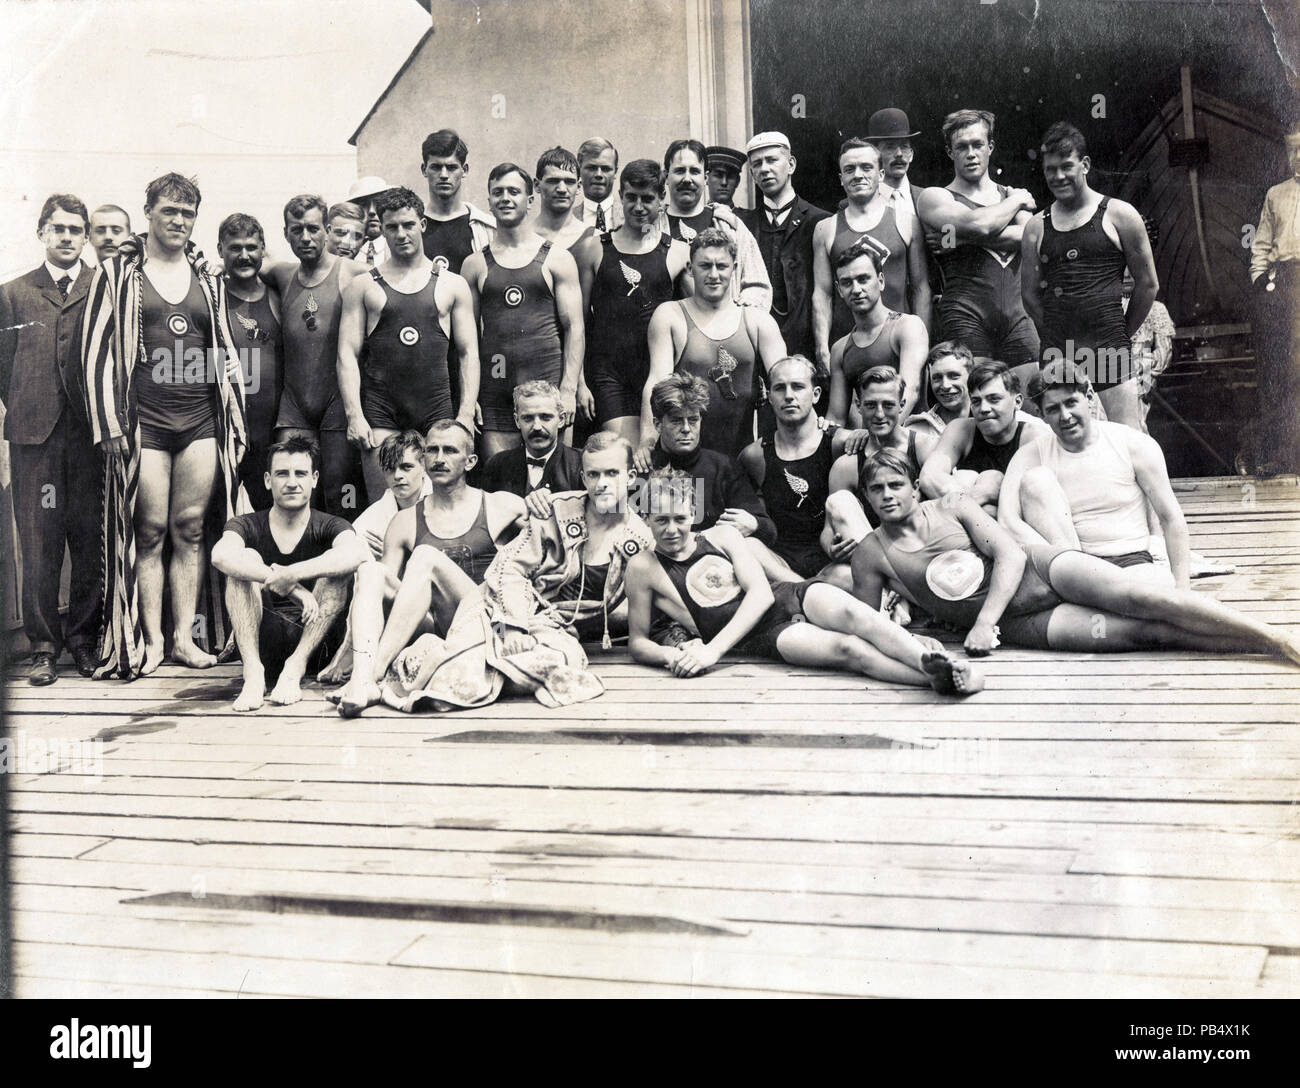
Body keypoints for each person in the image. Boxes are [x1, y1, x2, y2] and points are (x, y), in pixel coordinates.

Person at [851, 447, 1300, 666]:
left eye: (896, 484)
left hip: (1041, 570)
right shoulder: (871, 555)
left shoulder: (952, 505)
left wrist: (983, 622)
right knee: (1146, 634)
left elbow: (1008, 553)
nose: (888, 495)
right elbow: (868, 625)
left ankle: (1275, 637)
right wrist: (915, 642)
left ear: (913, 486)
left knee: (1148, 599)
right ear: (866, 497)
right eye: (876, 488)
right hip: (1020, 624)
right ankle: (1255, 647)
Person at [82, 172, 248, 677]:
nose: (178, 221)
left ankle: (184, 638)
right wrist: (109, 422)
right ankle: (151, 639)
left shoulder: (209, 278)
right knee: (149, 530)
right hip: (145, 422)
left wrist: (233, 396)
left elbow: (222, 350)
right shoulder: (117, 275)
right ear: (149, 213)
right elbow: (95, 355)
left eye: (187, 213)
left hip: (199, 419)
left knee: (191, 528)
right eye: (169, 211)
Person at [626, 467, 982, 694]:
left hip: (790, 596)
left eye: (679, 518)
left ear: (692, 512)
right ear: (646, 518)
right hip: (762, 637)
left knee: (860, 618)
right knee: (849, 650)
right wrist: (672, 655)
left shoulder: (722, 537)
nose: (671, 530)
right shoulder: (643, 566)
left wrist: (712, 650)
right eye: (660, 521)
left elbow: (762, 595)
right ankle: (937, 679)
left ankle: (930, 662)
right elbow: (639, 641)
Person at [381, 432, 656, 713]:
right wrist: (513, 627)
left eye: (612, 473)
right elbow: (510, 570)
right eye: (594, 474)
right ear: (583, 478)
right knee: (485, 646)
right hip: (495, 612)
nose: (602, 484)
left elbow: (653, 597)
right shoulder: (557, 510)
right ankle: (434, 661)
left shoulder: (641, 539)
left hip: (553, 630)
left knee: (563, 660)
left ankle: (477, 664)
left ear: (631, 477)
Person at [330, 420, 526, 716]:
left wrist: (542, 502)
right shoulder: (404, 521)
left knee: (424, 556)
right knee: (370, 571)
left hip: (487, 622)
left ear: (470, 461)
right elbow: (381, 598)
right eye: (432, 451)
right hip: (435, 625)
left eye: (449, 450)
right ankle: (363, 675)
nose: (439, 458)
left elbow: (544, 545)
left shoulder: (502, 506)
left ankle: (371, 676)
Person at [0, 194, 102, 684]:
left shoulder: (102, 289)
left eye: (75, 230)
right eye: (57, 228)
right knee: (38, 543)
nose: (66, 237)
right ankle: (43, 646)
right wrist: (31, 403)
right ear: (41, 232)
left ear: (86, 237)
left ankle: (83, 641)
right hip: (35, 439)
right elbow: (4, 367)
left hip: (89, 438)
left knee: (87, 538)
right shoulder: (13, 294)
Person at [337, 186, 479, 500]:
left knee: (439, 507)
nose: (401, 234)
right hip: (381, 413)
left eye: (408, 225)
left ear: (422, 224)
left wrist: (466, 413)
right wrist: (355, 416)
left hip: (436, 412)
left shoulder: (451, 284)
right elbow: (347, 354)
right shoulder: (363, 286)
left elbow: (469, 353)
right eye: (392, 227)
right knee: (386, 505)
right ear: (382, 231)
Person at [212, 435, 368, 711]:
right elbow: (220, 555)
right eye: (282, 473)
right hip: (263, 641)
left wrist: (292, 573)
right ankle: (253, 675)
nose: (292, 482)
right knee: (243, 560)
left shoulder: (332, 524)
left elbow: (356, 554)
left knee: (337, 570)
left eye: (301, 473)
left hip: (316, 647)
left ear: (315, 479)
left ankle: (293, 670)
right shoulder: (246, 524)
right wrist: (293, 588)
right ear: (268, 480)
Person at [998, 362, 1188, 587]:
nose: (1065, 416)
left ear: (1088, 396)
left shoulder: (1134, 444)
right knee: (1036, 479)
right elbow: (1007, 521)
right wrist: (1059, 561)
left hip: (1130, 562)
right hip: (1070, 568)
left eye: (1071, 403)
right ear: (1041, 414)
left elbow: (1171, 517)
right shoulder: (1030, 455)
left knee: (1157, 595)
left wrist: (1183, 587)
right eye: (1053, 409)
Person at [1021, 121, 1159, 429]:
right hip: (1059, 349)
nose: (1058, 176)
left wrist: (1120, 330)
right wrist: (1058, 328)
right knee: (1065, 436)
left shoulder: (1120, 214)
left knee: (1126, 437)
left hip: (1108, 343)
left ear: (1085, 164)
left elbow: (1148, 284)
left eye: (1066, 166)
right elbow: (1029, 295)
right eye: (1050, 169)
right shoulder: (1036, 226)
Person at [462, 162, 586, 458]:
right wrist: (471, 398)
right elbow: (466, 343)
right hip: (496, 390)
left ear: (530, 200)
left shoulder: (557, 258)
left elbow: (575, 328)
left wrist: (568, 390)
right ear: (489, 201)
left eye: (514, 192)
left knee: (557, 480)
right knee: (500, 480)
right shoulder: (475, 264)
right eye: (498, 192)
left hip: (548, 385)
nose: (505, 198)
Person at [917, 109, 1040, 389]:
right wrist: (1016, 200)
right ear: (950, 152)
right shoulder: (935, 196)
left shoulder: (1008, 194)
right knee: (978, 405)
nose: (971, 153)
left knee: (1034, 404)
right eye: (962, 146)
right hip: (966, 314)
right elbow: (978, 224)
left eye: (978, 144)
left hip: (1018, 316)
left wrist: (964, 239)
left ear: (990, 147)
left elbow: (1032, 238)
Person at [263, 194, 367, 517]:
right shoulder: (282, 273)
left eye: (312, 229)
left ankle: (344, 562)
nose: (305, 237)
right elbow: (241, 264)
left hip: (337, 401)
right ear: (286, 234)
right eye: (296, 230)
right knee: (292, 490)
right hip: (294, 405)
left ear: (327, 230)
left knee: (340, 491)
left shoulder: (354, 272)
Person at [573, 158, 691, 442]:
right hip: (608, 372)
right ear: (620, 197)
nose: (638, 207)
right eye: (631, 198)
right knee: (623, 448)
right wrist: (579, 383)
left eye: (648, 199)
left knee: (654, 453)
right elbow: (578, 322)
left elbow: (696, 316)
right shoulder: (595, 248)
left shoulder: (677, 251)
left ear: (662, 198)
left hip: (658, 369)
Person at [642, 227, 787, 458]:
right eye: (705, 266)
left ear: (735, 269)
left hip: (740, 458)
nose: (713, 274)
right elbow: (656, 383)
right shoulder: (670, 315)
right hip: (685, 458)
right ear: (690, 269)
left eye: (721, 266)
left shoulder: (757, 321)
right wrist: (647, 442)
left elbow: (786, 380)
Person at [315, 429, 432, 684]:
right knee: (353, 564)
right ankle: (348, 653)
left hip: (433, 610)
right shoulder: (377, 513)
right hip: (389, 608)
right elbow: (345, 556)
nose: (398, 476)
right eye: (390, 469)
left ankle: (356, 657)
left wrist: (399, 551)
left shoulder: (439, 501)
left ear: (423, 465)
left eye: (406, 467)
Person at [812, 137, 932, 377]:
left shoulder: (906, 221)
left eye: (866, 167)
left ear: (881, 174)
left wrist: (923, 345)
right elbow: (822, 294)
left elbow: (921, 289)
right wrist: (822, 347)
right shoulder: (825, 228)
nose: (858, 175)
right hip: (848, 347)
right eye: (849, 169)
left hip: (898, 345)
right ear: (841, 178)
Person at [740, 356, 855, 578]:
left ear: (816, 395)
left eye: (798, 387)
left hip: (831, 561)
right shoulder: (755, 456)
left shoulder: (841, 443)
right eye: (780, 388)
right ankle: (803, 589)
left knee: (849, 576)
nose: (789, 396)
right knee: (745, 547)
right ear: (770, 397)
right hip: (780, 564)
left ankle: (802, 592)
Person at [640, 373, 777, 547]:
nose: (686, 429)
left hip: (713, 565)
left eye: (693, 420)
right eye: (676, 421)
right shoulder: (643, 467)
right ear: (657, 424)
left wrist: (755, 524)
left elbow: (769, 530)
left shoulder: (723, 467)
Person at [736, 131, 831, 362]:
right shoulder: (742, 225)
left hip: (806, 347)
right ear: (751, 174)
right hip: (755, 344)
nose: (765, 169)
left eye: (772, 160)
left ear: (790, 165)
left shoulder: (820, 221)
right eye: (757, 164)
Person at [659, 138, 772, 310]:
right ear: (666, 176)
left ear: (704, 177)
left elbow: (758, 286)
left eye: (694, 171)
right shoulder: (652, 227)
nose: (687, 179)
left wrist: (735, 321)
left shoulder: (729, 225)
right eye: (680, 171)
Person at [920, 360, 1049, 509]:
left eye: (994, 399)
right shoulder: (962, 429)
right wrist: (983, 496)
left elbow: (1028, 502)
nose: (984, 408)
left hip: (1014, 522)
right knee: (966, 477)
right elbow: (929, 477)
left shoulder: (1033, 436)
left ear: (1018, 402)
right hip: (973, 515)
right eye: (976, 401)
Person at [827, 238, 928, 424]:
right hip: (867, 441)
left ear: (880, 281)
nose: (856, 290)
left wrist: (873, 439)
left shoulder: (907, 327)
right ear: (839, 290)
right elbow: (836, 417)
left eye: (863, 279)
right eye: (847, 283)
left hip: (909, 435)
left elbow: (910, 392)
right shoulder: (839, 349)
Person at [219, 213, 282, 511]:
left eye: (251, 248)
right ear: (221, 250)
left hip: (269, 431)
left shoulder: (278, 295)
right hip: (225, 430)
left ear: (263, 249)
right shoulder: (211, 296)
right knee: (214, 517)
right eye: (235, 248)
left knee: (271, 514)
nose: (244, 255)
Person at [1247, 124, 1300, 476]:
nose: (1297, 157)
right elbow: (1262, 244)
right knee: (1283, 372)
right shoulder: (1276, 194)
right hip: (1285, 286)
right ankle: (1286, 456)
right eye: (1292, 150)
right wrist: (1260, 278)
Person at [826, 366, 936, 533]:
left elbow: (946, 509)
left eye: (888, 405)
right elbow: (829, 528)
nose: (879, 414)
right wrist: (831, 546)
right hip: (872, 552)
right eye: (870, 405)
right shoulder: (846, 466)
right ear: (858, 405)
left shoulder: (925, 447)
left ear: (902, 405)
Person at [479, 380, 585, 510]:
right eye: (528, 418)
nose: (537, 427)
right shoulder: (497, 465)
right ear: (517, 421)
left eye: (545, 417)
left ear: (561, 419)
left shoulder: (581, 463)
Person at [417, 129, 496, 274]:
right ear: (424, 170)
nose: (444, 175)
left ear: (464, 170)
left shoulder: (486, 228)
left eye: (451, 167)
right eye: (436, 167)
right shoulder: (410, 225)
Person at [906, 341, 973, 440]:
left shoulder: (986, 422)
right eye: (937, 378)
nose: (945, 385)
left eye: (953, 376)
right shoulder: (916, 431)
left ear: (971, 376)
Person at [866, 108, 923, 222]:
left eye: (904, 146)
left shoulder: (927, 199)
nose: (899, 154)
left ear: (911, 154)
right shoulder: (860, 202)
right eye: (890, 147)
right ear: (875, 155)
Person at [531, 146, 593, 251]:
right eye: (553, 181)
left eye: (569, 182)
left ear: (578, 187)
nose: (562, 189)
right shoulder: (521, 236)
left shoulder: (595, 238)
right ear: (537, 185)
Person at [571, 137, 622, 233]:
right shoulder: (565, 219)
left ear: (615, 172)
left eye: (606, 169)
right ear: (579, 170)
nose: (599, 174)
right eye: (591, 168)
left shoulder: (631, 217)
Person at [347, 176, 393, 267]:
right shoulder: (345, 248)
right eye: (364, 204)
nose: (372, 211)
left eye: (378, 203)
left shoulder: (395, 247)